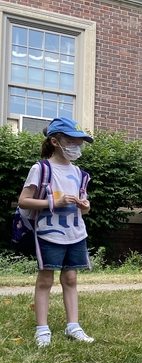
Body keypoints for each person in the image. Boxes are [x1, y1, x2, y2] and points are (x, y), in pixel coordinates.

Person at [17, 118, 95, 348]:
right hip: (48, 233)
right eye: (71, 141)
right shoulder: (40, 169)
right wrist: (54, 202)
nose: (77, 147)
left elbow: (85, 204)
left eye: (79, 143)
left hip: (75, 233)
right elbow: (23, 201)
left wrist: (85, 206)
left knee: (70, 278)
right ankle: (42, 329)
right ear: (54, 141)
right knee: (45, 280)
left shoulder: (80, 173)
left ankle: (74, 326)